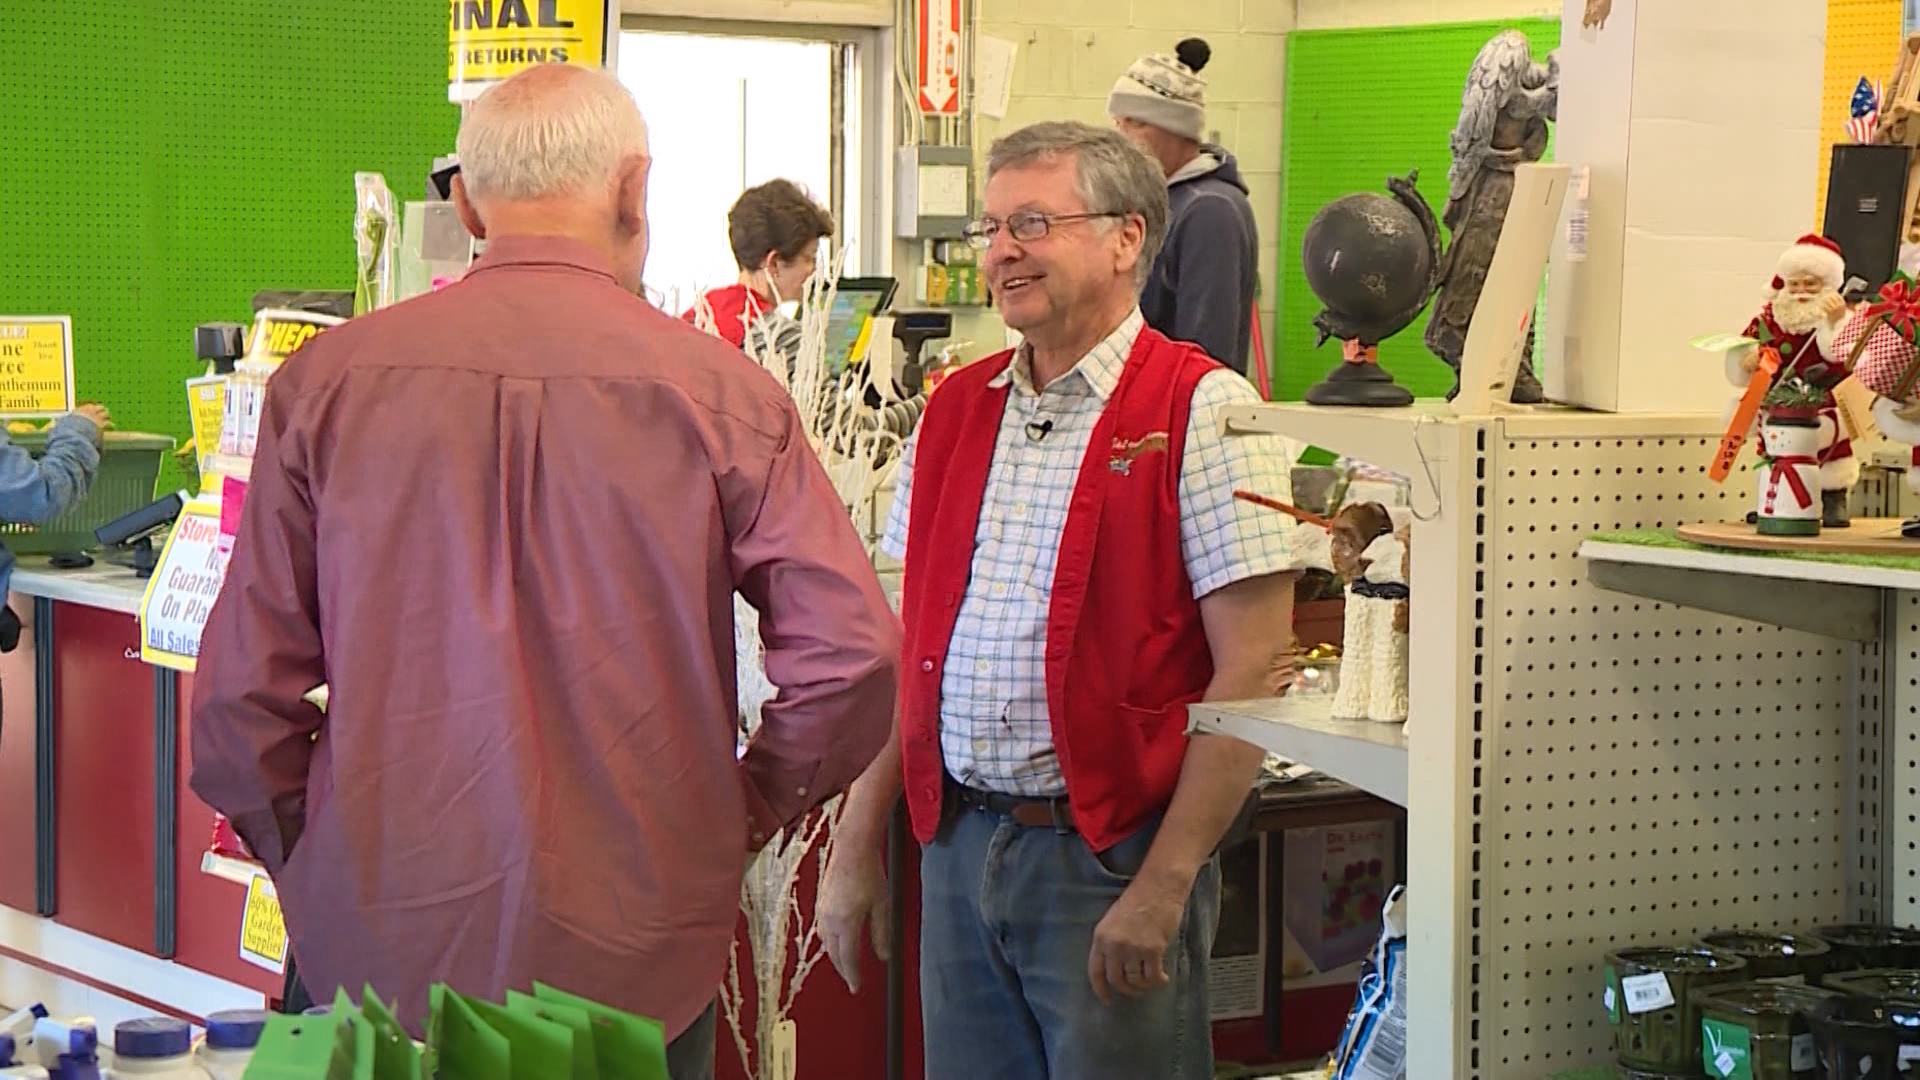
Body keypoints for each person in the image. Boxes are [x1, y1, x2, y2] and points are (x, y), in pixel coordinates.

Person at [188, 64, 899, 1080]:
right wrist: (743, 810)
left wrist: (315, 861)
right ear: (634, 189)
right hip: (635, 960)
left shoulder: (324, 386)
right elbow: (854, 658)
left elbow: (235, 706)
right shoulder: (724, 397)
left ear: (468, 206)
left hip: (370, 951)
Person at [817, 120, 1300, 1080]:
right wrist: (855, 840)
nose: (1000, 251)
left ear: (1126, 238)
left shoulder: (1205, 410)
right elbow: (912, 647)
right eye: (990, 228)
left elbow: (1254, 670)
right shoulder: (954, 411)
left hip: (1109, 861)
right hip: (957, 845)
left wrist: (1163, 887)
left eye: (1032, 223)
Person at [1109, 38, 1260, 375]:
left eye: (1137, 123)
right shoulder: (1163, 202)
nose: (1122, 138)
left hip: (1181, 402)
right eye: (1119, 123)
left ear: (1176, 128)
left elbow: (1206, 348)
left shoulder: (1209, 211)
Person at [682, 179, 835, 353]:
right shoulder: (782, 341)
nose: (813, 270)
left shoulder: (698, 315)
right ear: (774, 263)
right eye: (809, 258)